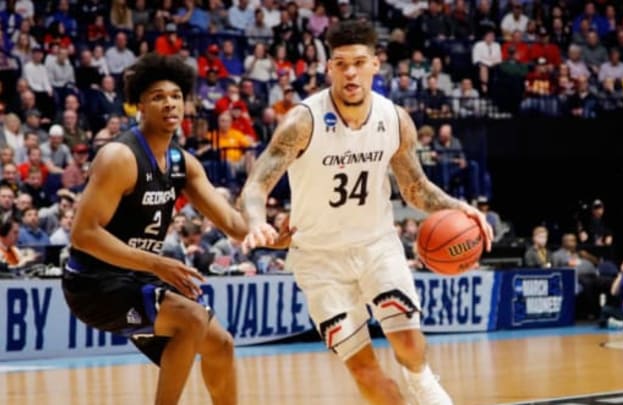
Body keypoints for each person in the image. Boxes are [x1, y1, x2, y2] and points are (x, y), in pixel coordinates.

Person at [239, 20, 493, 405]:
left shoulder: (393, 119)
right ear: (329, 69)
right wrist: (257, 222)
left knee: (407, 342)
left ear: (376, 64)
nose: (351, 72)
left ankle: (423, 384)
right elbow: (256, 185)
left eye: (359, 62)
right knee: (364, 370)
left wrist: (460, 207)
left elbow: (415, 187)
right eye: (341, 63)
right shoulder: (302, 121)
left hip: (377, 246)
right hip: (319, 260)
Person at [61, 53, 288, 405]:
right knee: (192, 319)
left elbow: (232, 224)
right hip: (93, 282)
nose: (170, 103)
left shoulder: (184, 163)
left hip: (137, 276)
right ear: (139, 105)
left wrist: (273, 236)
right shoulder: (119, 157)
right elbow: (83, 234)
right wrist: (155, 263)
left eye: (176, 96)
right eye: (158, 97)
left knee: (222, 345)